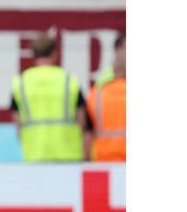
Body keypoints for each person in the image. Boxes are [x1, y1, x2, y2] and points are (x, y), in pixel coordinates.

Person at [10, 35, 89, 162]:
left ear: (33, 54)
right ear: (54, 54)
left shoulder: (21, 83)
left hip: (35, 156)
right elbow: (82, 122)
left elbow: (18, 124)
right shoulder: (69, 81)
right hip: (68, 156)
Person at [88, 34, 126, 162]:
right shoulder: (99, 88)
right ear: (117, 50)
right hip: (104, 160)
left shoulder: (98, 88)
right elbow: (88, 129)